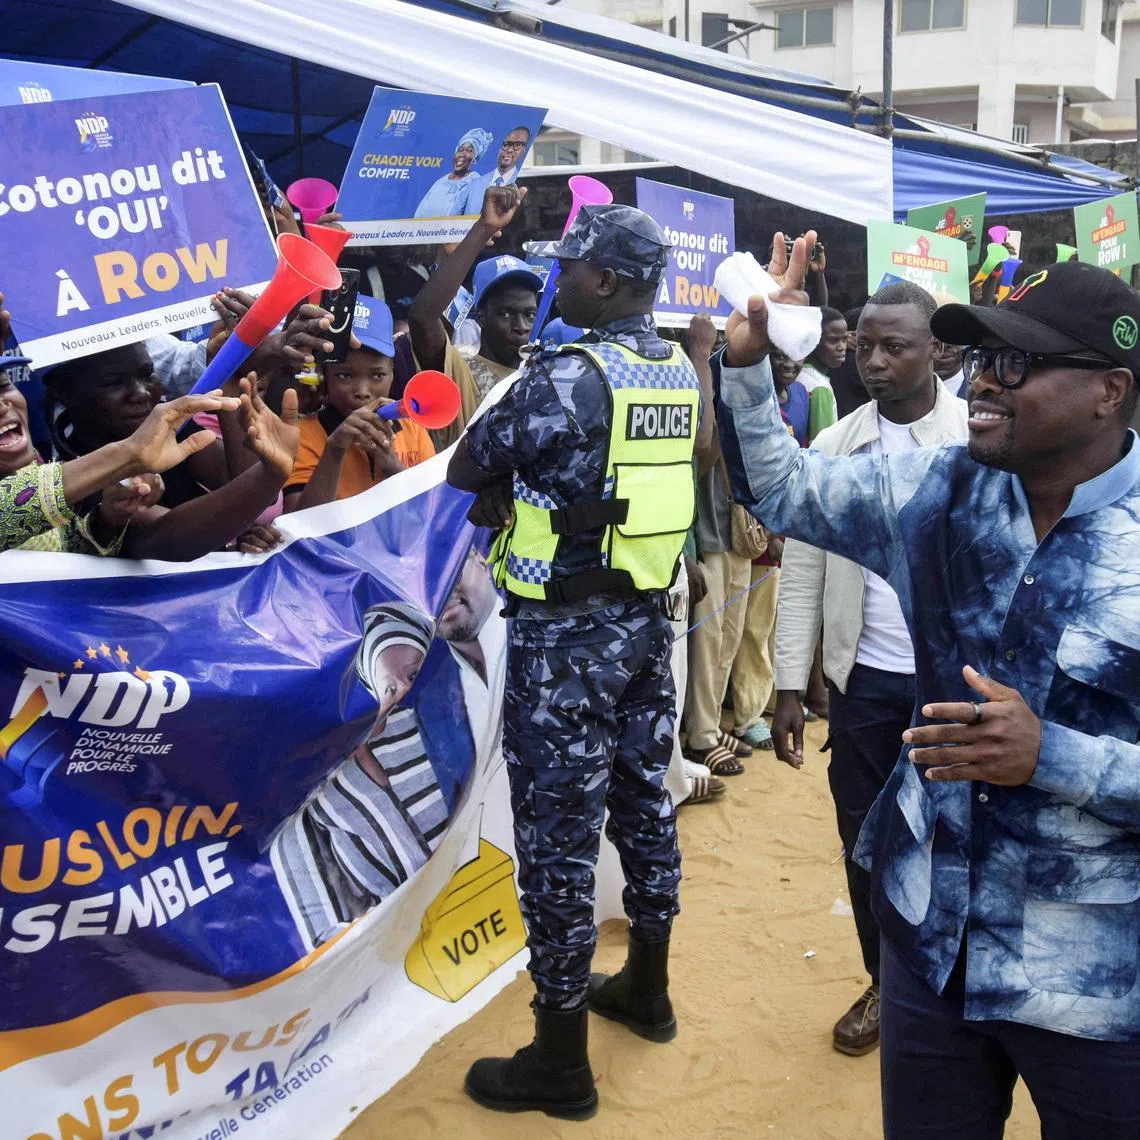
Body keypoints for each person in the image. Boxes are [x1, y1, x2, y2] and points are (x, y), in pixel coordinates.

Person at [718, 246, 1140, 1138]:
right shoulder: (940, 488)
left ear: (1109, 389)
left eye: (1017, 363)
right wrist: (751, 365)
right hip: (928, 937)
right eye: (980, 359)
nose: (983, 382)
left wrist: (1050, 756)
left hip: (1094, 977)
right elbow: (785, 492)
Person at [447, 204, 701, 1120]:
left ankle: (559, 1060)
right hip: (645, 624)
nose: (562, 282)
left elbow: (468, 465)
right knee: (643, 801)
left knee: (556, 837)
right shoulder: (672, 365)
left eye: (578, 270)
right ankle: (649, 986)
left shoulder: (568, 373)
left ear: (615, 281)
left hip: (567, 641)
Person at [769, 280, 968, 1059]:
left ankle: (949, 987)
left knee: (953, 840)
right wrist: (792, 682)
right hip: (866, 686)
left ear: (938, 351)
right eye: (865, 347)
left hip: (952, 688)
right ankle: (885, 984)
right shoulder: (836, 446)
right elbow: (804, 571)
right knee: (865, 844)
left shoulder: (977, 443)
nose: (875, 363)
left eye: (896, 347)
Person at [271, 602, 436, 951]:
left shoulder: (430, 725)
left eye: (410, 675)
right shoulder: (293, 800)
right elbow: (325, 940)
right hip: (408, 969)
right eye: (388, 673)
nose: (400, 689)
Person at [42, 346, 299, 562]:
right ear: (65, 393)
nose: (141, 393)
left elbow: (240, 480)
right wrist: (227, 541)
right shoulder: (73, 480)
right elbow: (163, 535)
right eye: (113, 383)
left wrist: (229, 379)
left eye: (147, 375)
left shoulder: (170, 433)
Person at [0, 353, 240, 555]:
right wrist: (127, 456)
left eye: (2, 387)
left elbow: (64, 556)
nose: (2, 406)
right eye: (113, 382)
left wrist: (107, 522)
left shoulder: (33, 467)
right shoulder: (77, 475)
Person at [409, 187, 543, 448]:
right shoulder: (461, 369)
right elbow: (422, 319)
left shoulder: (543, 373)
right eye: (505, 313)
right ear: (481, 316)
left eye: (529, 315)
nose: (520, 327)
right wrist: (483, 229)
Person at [284, 296, 435, 512]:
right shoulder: (303, 434)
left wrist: (392, 465)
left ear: (392, 373)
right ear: (323, 374)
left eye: (377, 376)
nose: (362, 392)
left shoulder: (413, 430)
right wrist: (335, 449)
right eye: (345, 376)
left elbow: (435, 510)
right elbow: (297, 524)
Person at [413, 128, 493, 219]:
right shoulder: (441, 182)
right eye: (460, 150)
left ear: (476, 158)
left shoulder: (476, 183)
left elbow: (470, 219)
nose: (463, 154)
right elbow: (419, 213)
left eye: (469, 151)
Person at [797, 305, 843, 439]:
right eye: (834, 340)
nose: (841, 347)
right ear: (814, 342)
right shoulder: (819, 387)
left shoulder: (798, 374)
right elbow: (823, 448)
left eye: (844, 339)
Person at [472, 126, 531, 198]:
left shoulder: (523, 187)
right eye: (506, 145)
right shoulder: (475, 183)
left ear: (525, 150)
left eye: (518, 145)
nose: (509, 150)